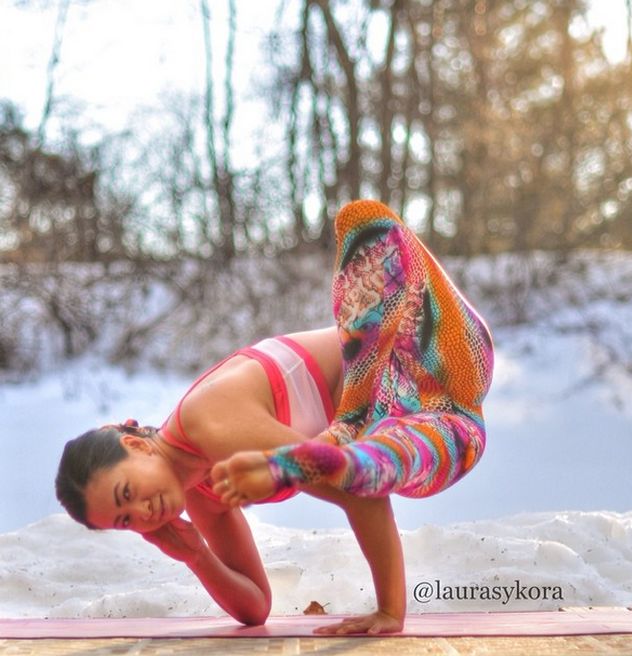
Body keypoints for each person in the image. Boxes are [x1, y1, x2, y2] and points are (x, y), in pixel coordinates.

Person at [56, 199, 494, 635]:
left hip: (424, 354)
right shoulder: (203, 495)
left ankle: (346, 427)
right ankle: (350, 444)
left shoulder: (208, 421)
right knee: (379, 459)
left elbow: (359, 495)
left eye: (127, 492)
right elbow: (255, 607)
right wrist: (196, 555)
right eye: (127, 521)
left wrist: (390, 612)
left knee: (361, 219)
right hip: (437, 426)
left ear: (134, 444)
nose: (143, 512)